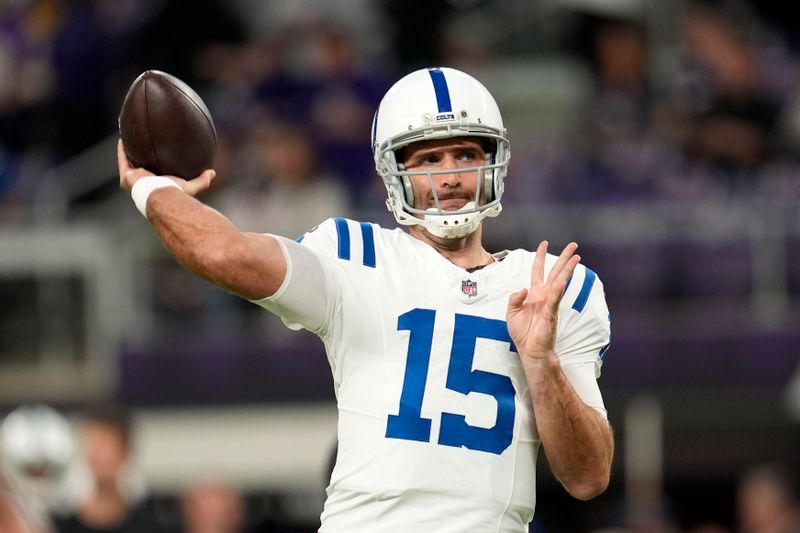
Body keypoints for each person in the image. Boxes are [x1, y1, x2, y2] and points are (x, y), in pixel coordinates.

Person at [118, 66, 614, 532]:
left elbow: (588, 477)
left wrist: (540, 359)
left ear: (494, 162)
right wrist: (154, 190)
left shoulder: (552, 284)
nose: (450, 176)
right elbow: (226, 255)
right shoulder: (356, 257)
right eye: (428, 159)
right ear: (393, 171)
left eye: (466, 154)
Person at [51, 405, 165, 533]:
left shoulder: (149, 526)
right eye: (94, 445)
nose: (99, 457)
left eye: (107, 447)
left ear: (125, 454)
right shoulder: (62, 525)